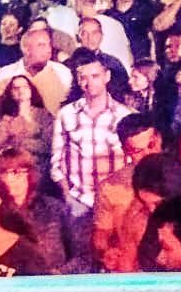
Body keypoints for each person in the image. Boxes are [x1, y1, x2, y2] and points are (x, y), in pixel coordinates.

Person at [50, 52, 126, 241]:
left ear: (107, 76)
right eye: (83, 77)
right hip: (79, 202)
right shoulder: (66, 114)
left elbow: (132, 160)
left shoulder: (124, 115)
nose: (89, 82)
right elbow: (57, 160)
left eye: (95, 76)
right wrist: (67, 195)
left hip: (115, 202)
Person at [91, 115, 162, 272]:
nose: (148, 154)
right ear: (126, 151)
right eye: (137, 151)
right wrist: (105, 251)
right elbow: (101, 233)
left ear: (159, 139)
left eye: (151, 145)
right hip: (131, 270)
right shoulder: (110, 187)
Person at [0, 23, 72, 113]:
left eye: (49, 45)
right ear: (26, 49)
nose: (49, 50)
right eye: (41, 45)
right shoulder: (6, 74)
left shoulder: (62, 72)